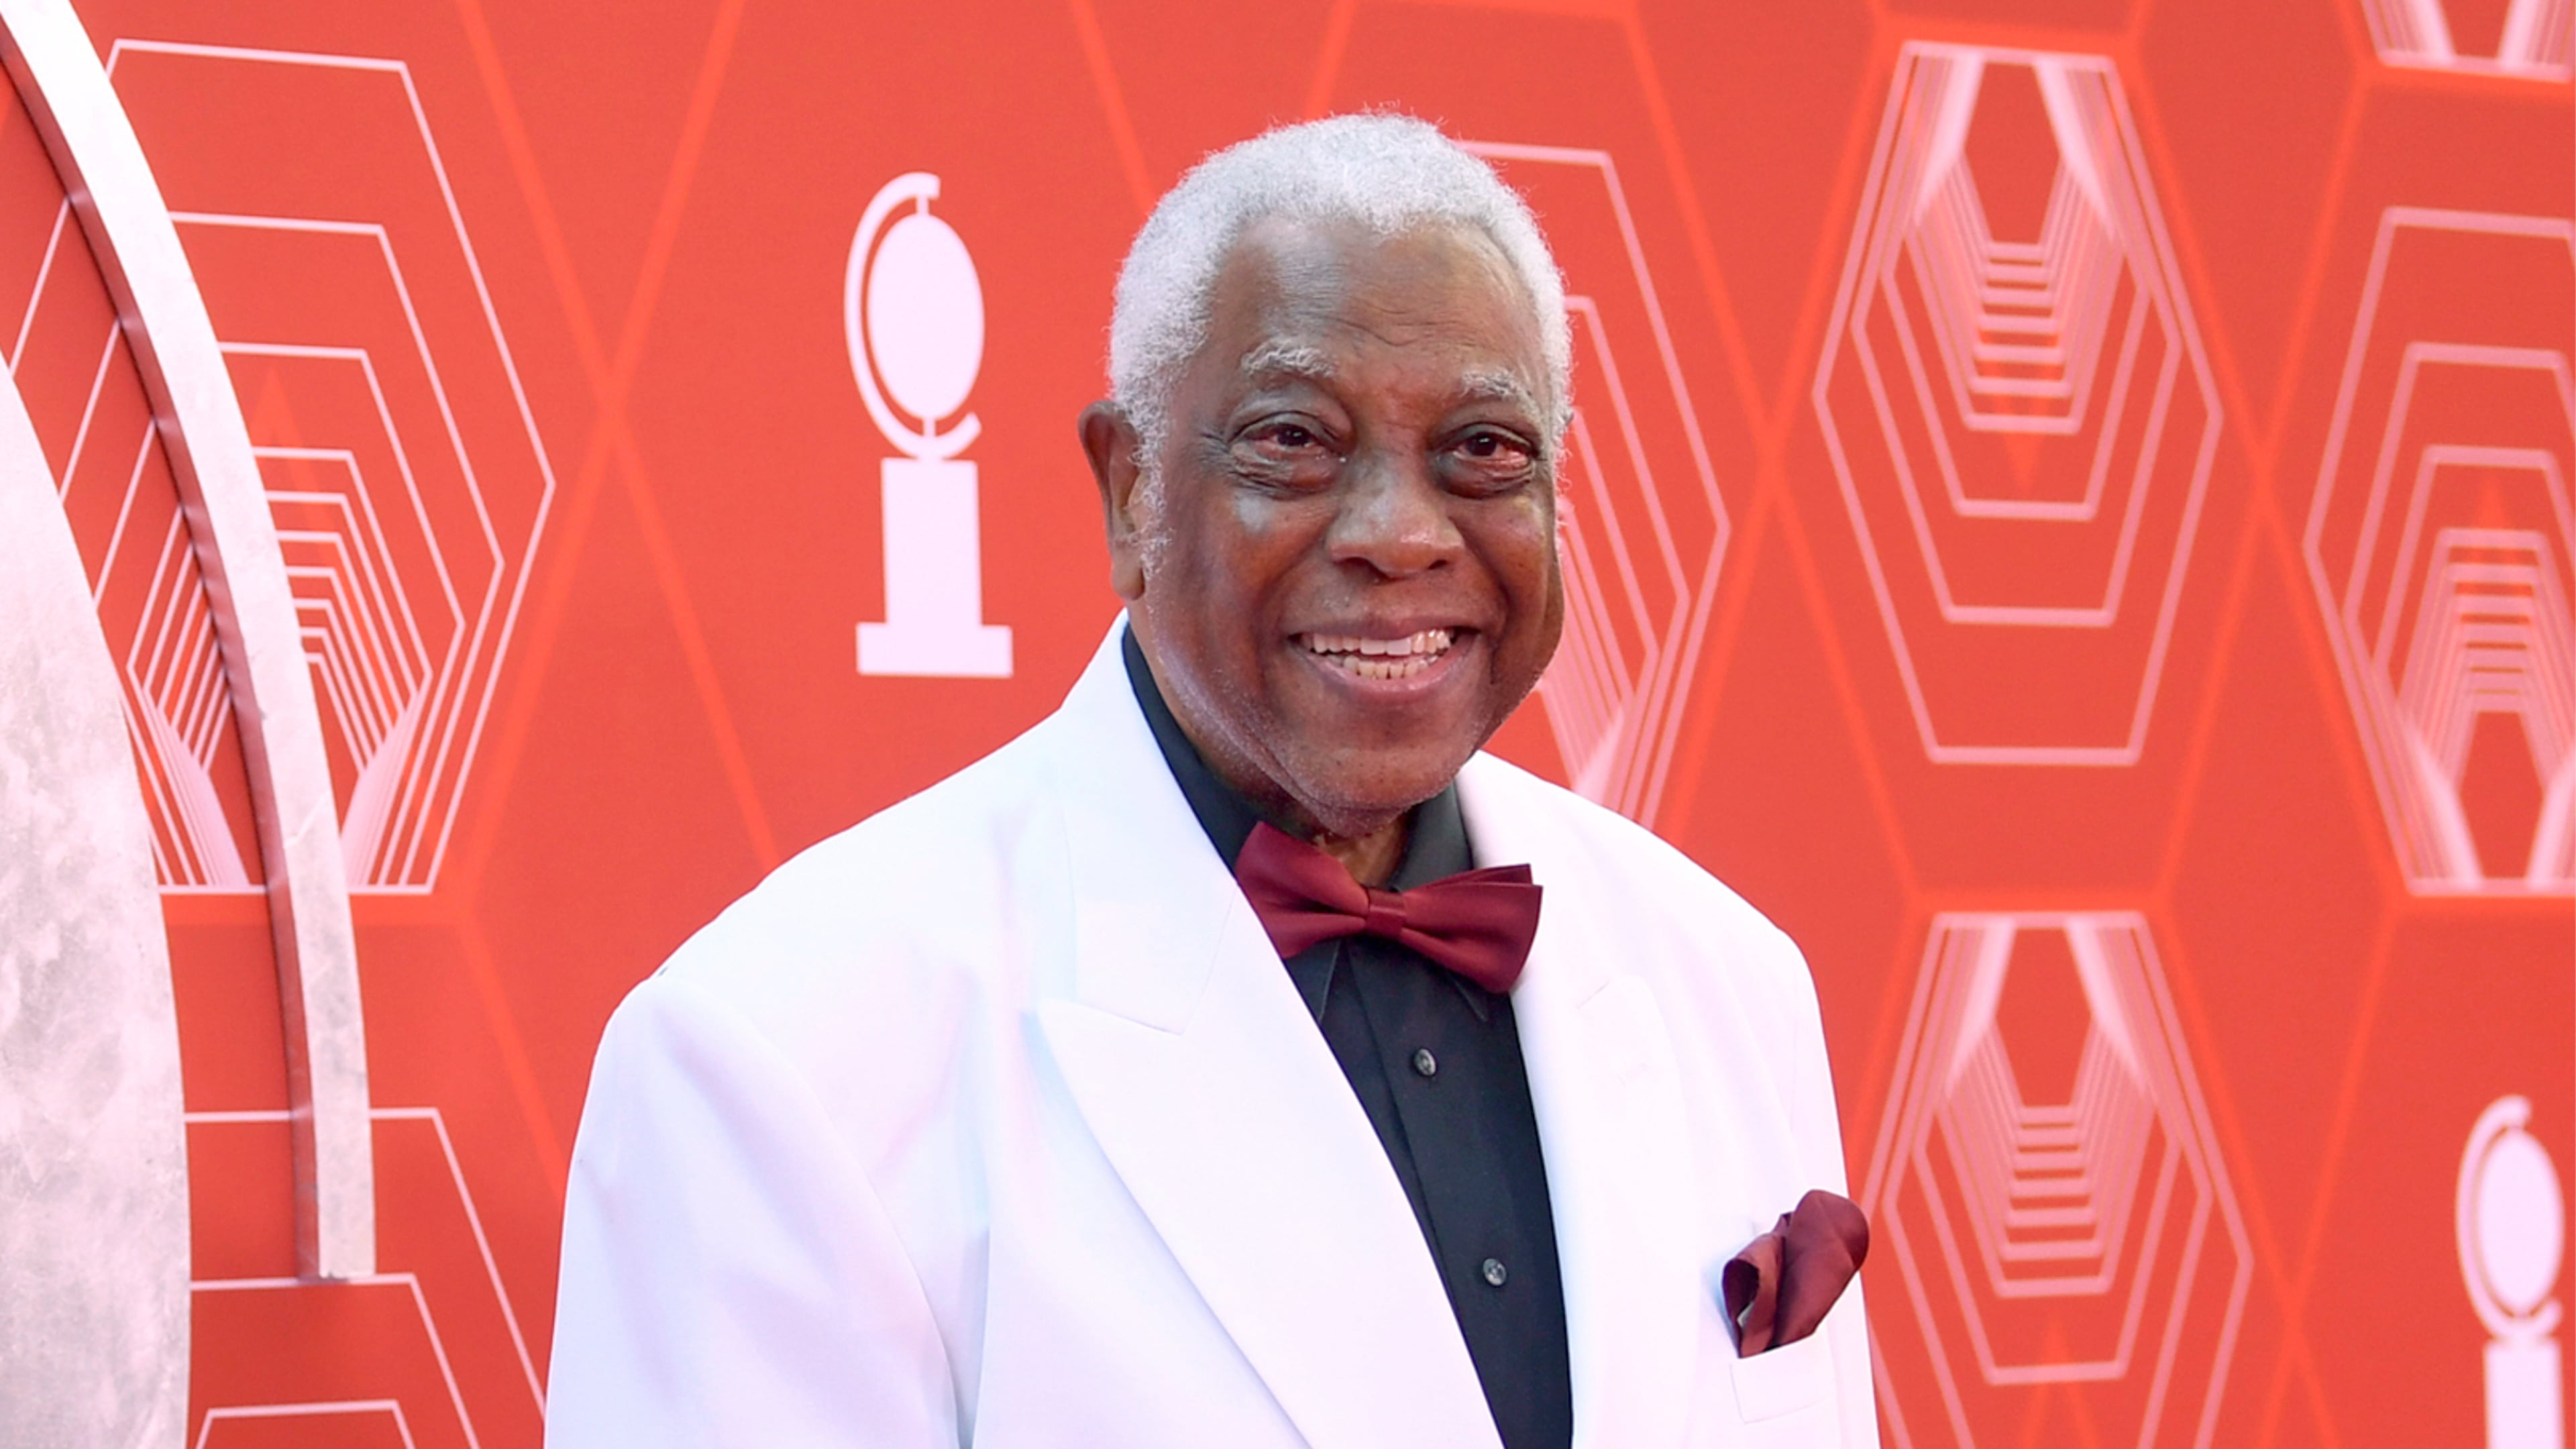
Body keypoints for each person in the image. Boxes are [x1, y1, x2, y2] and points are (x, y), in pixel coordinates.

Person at [545, 114, 1874, 1448]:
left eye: (1484, 449)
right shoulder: (777, 1056)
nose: (1403, 534)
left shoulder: (1728, 973)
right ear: (1129, 494)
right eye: (1295, 441)